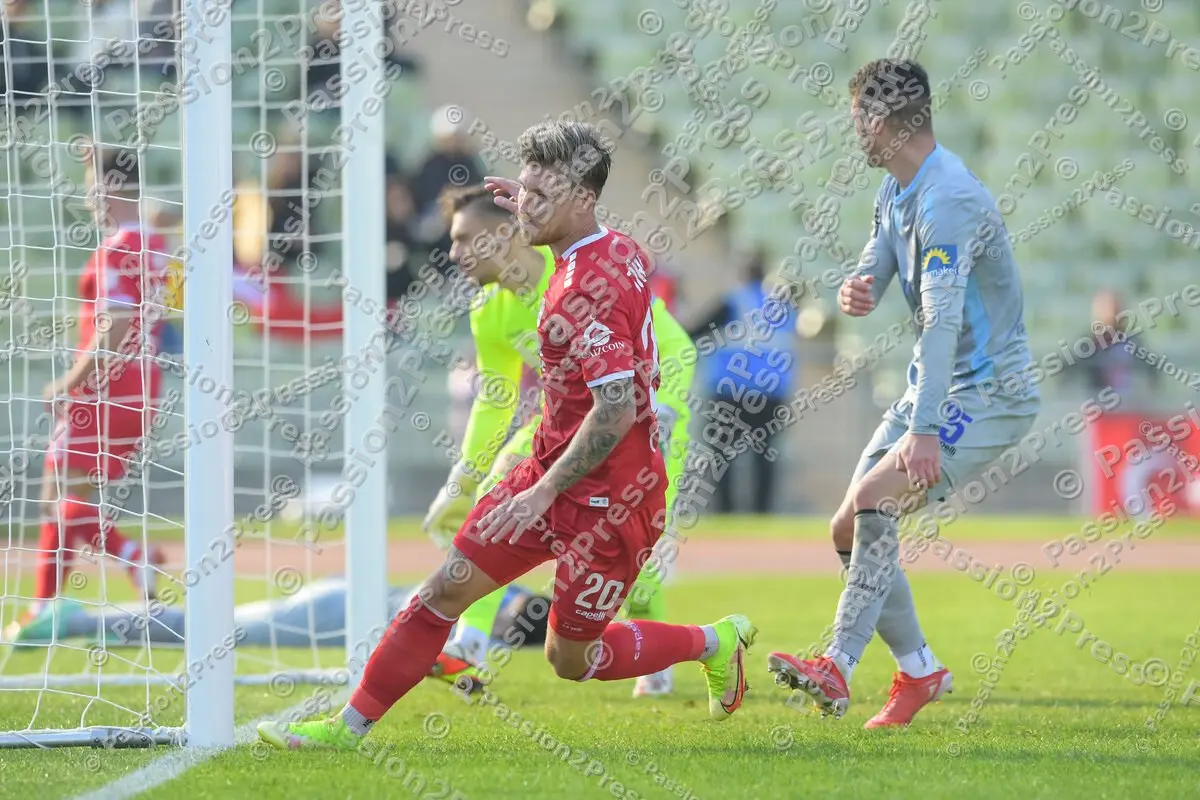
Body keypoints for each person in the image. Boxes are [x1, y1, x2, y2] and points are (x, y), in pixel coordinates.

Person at [259, 121, 757, 752]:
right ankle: (347, 728)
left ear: (582, 199)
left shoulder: (586, 291)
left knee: (571, 660)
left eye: (539, 196)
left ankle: (715, 641)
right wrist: (527, 204)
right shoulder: (603, 245)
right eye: (522, 192)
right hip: (549, 467)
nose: (524, 206)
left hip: (611, 498)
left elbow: (614, 409)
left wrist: (544, 493)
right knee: (441, 589)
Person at [767, 59, 1040, 728]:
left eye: (858, 117)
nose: (853, 130)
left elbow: (945, 319)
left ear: (882, 122)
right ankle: (919, 670)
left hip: (988, 395)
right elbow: (877, 262)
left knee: (875, 500)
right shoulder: (895, 191)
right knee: (846, 527)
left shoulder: (949, 199)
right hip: (939, 386)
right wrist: (858, 287)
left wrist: (923, 430)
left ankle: (836, 666)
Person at [420, 182, 697, 698]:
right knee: (495, 494)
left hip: (648, 414)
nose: (453, 253)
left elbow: (670, 342)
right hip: (563, 419)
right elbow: (496, 398)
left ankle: (658, 667)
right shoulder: (489, 312)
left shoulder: (577, 276)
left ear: (504, 236)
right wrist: (463, 477)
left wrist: (663, 403)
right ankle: (470, 644)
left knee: (636, 551)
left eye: (463, 239)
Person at [5, 147, 168, 643]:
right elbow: (165, 310)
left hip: (106, 386)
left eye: (93, 183)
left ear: (113, 186)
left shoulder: (116, 249)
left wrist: (67, 384)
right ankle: (48, 607)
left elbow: (114, 326)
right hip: (144, 384)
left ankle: (131, 561)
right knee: (65, 496)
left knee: (56, 497)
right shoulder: (159, 244)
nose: (88, 195)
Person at [688, 247, 797, 514]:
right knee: (765, 455)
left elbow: (693, 331)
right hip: (770, 391)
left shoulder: (732, 301)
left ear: (743, 273)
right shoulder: (782, 305)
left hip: (728, 389)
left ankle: (725, 511)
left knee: (722, 455)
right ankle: (762, 513)